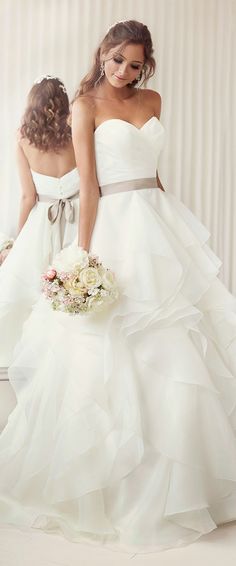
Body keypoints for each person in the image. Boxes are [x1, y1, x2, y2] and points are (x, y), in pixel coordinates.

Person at [0, 20, 236, 554]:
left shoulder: (153, 99)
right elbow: (89, 187)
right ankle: (114, 480)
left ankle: (186, 482)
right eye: (116, 59)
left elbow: (155, 176)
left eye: (134, 63)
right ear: (102, 52)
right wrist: (83, 257)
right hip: (113, 225)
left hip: (158, 219)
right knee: (110, 346)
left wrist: (174, 223)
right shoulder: (84, 104)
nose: (123, 71)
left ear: (145, 64)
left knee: (179, 345)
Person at [0, 76, 79, 366]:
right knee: (75, 286)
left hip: (41, 222)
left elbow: (27, 196)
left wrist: (19, 241)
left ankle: (34, 358)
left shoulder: (23, 139)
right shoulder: (77, 133)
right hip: (77, 216)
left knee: (31, 290)